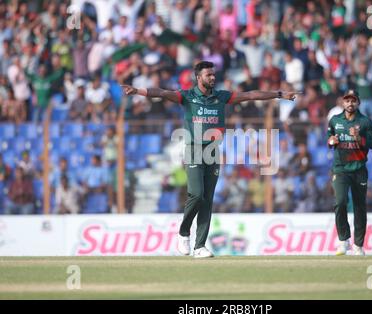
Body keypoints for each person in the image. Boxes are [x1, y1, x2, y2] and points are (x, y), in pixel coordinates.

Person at [122, 60, 299, 258]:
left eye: (214, 74)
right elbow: (162, 93)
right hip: (194, 149)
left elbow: (250, 95)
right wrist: (137, 91)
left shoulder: (221, 97)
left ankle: (199, 246)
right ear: (198, 78)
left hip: (214, 150)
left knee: (207, 200)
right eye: (209, 75)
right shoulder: (187, 96)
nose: (213, 77)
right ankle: (183, 232)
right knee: (197, 194)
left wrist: (280, 94)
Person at [327, 89, 372, 256]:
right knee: (340, 202)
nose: (350, 103)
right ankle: (344, 241)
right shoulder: (335, 120)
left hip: (358, 169)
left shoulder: (365, 122)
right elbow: (329, 137)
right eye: (347, 100)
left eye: (353, 100)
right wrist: (331, 141)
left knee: (359, 207)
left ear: (358, 103)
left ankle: (358, 245)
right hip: (340, 168)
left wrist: (359, 139)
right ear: (343, 102)